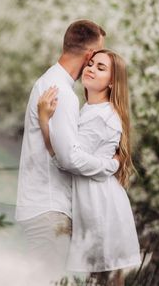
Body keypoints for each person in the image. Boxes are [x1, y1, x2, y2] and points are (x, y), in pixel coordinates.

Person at [15, 20, 120, 278]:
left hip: (41, 205)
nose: (96, 62)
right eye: (96, 55)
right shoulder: (61, 91)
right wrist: (111, 165)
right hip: (49, 210)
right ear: (88, 55)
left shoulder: (51, 82)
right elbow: (69, 158)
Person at [37, 49, 141, 285]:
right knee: (101, 278)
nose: (91, 69)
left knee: (107, 278)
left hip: (99, 204)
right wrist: (110, 164)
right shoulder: (90, 110)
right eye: (91, 64)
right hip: (94, 200)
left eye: (100, 68)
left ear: (113, 82)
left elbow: (70, 160)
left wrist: (44, 121)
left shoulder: (102, 116)